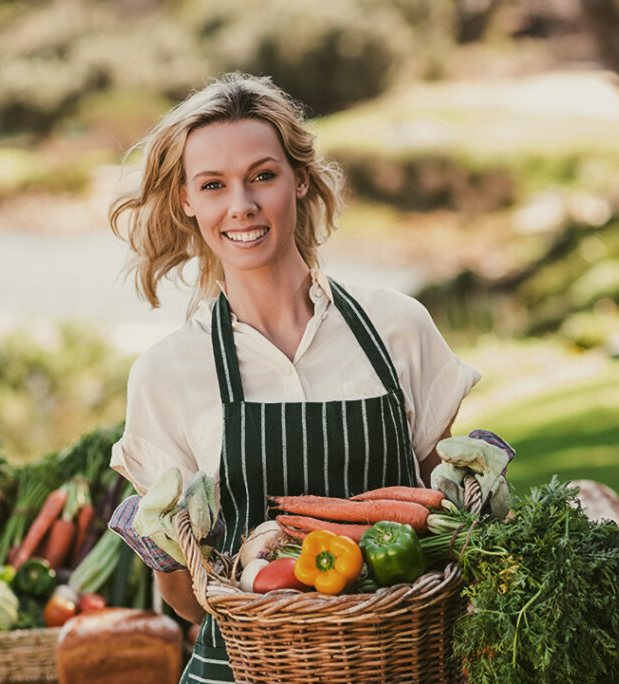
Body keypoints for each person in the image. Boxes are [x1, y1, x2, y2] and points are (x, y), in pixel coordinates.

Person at [105, 73, 481, 683]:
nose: (241, 206)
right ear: (186, 201)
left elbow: (443, 520)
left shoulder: (397, 328)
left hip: (395, 665)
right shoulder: (167, 373)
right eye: (213, 185)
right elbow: (181, 593)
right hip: (243, 672)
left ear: (299, 179)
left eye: (262, 175)